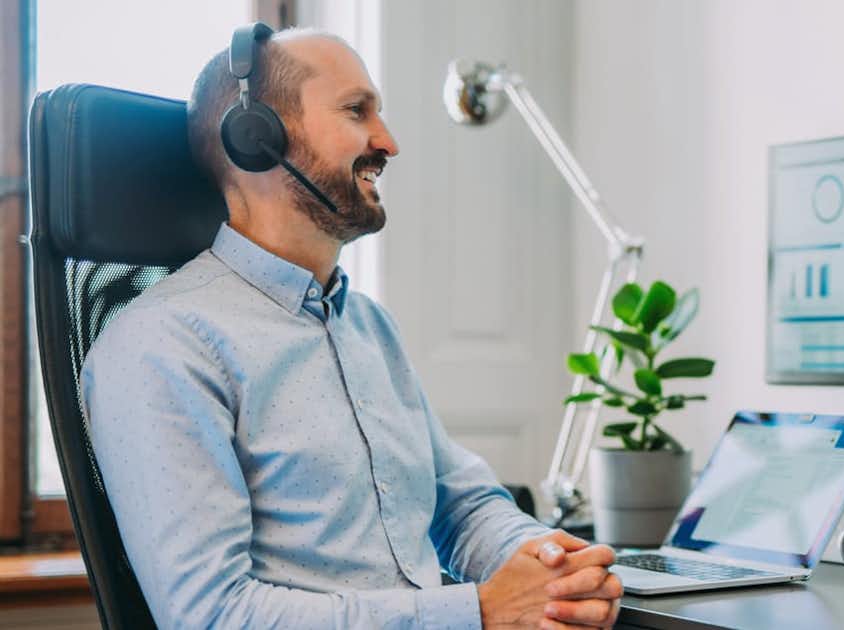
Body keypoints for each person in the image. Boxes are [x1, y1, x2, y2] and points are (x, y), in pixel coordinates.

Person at [80, 26, 621, 629]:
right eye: (357, 111)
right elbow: (212, 615)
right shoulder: (163, 344)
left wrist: (556, 564)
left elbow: (461, 505)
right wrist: (478, 613)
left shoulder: (367, 327)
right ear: (255, 137)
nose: (387, 142)